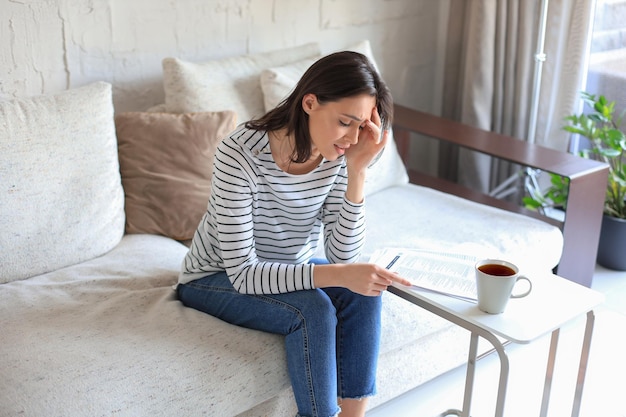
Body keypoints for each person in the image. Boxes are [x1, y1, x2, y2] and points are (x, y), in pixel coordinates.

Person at [176, 50, 411, 417]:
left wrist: (357, 173)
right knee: (313, 308)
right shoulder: (239, 154)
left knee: (366, 289)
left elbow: (342, 258)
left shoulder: (339, 157)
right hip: (215, 276)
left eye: (360, 126)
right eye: (344, 121)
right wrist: (340, 275)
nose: (352, 137)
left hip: (286, 268)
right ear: (310, 102)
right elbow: (244, 274)